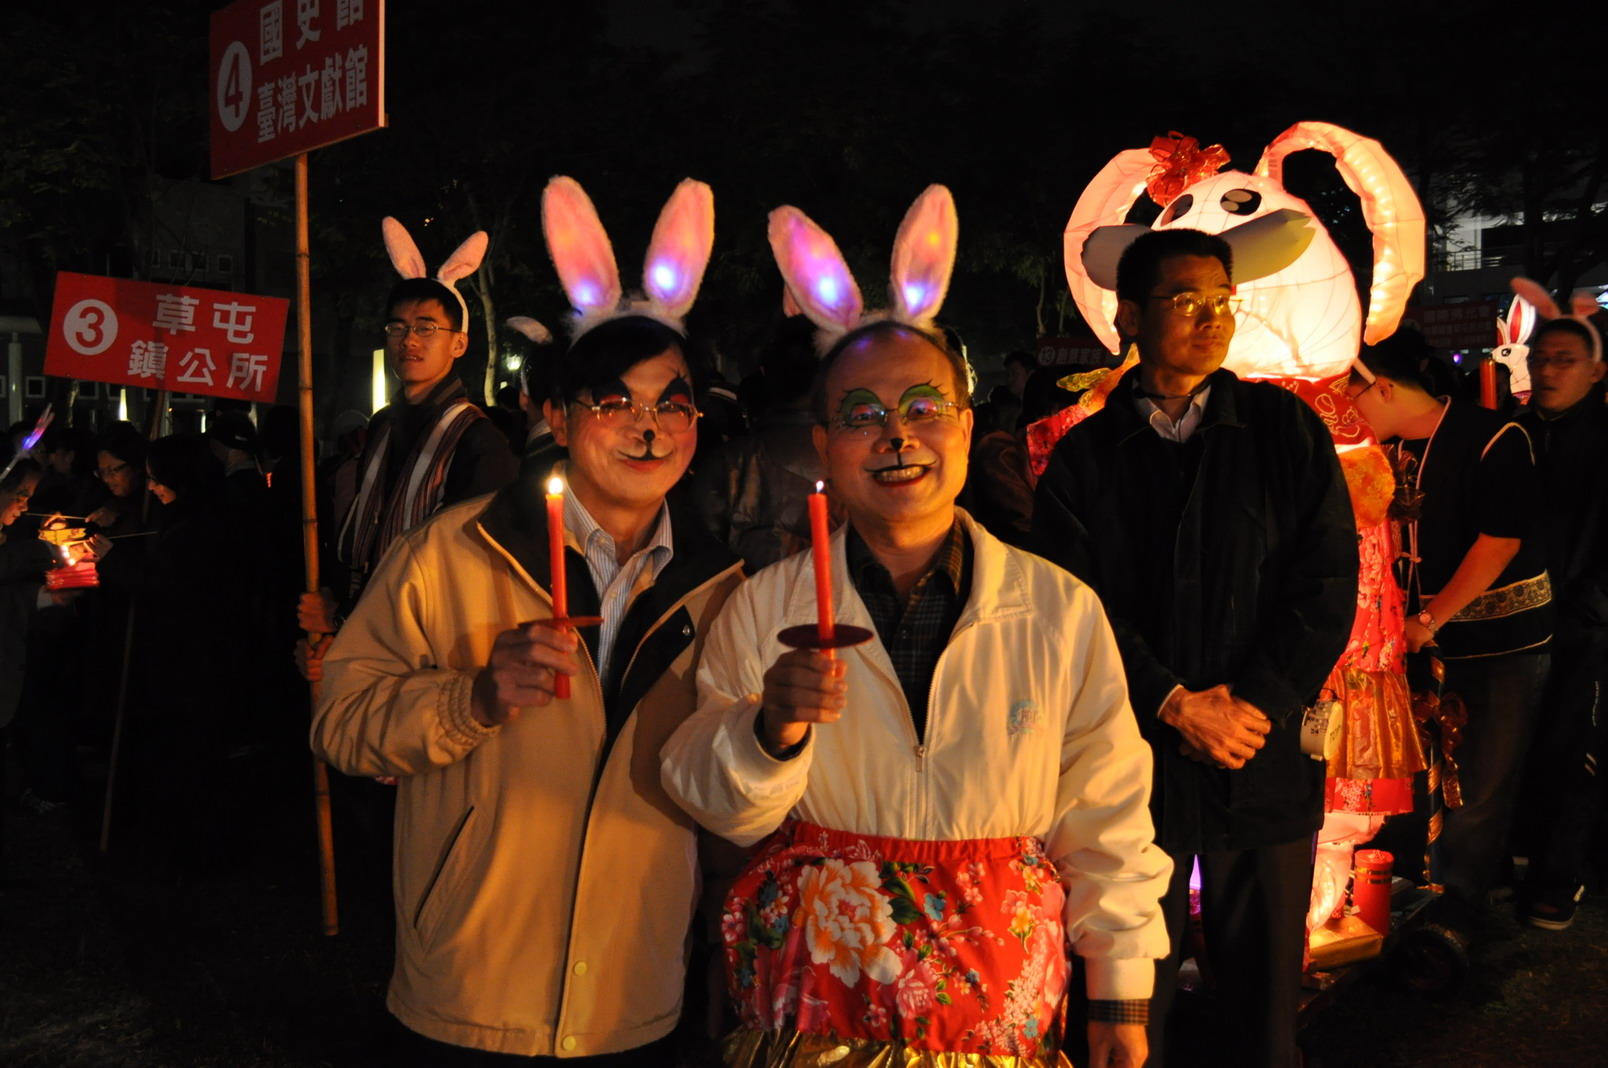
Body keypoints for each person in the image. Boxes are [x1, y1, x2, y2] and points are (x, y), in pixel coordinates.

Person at [663, 186, 1170, 1068]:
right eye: (862, 416)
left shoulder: (1056, 609)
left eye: (924, 409)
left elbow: (1109, 806)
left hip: (996, 1007)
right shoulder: (766, 607)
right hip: (817, 1008)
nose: (897, 437)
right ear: (822, 446)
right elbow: (711, 801)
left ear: (969, 430)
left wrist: (1121, 991)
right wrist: (767, 733)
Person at [312, 175, 740, 1063]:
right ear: (554, 413)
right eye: (614, 401)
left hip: (637, 990)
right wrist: (467, 700)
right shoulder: (451, 553)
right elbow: (342, 723)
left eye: (673, 403)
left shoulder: (725, 587)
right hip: (473, 986)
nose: (649, 428)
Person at [1033, 228, 1358, 1068]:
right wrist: (1172, 701)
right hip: (1133, 764)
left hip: (1263, 752)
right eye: (1188, 300)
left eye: (1223, 301)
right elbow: (1074, 610)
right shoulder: (1084, 456)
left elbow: (1325, 584)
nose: (1213, 319)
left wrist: (1254, 704)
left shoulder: (1284, 430)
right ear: (1130, 316)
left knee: (1265, 1011)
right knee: (1125, 1001)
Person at [1347, 331, 1552, 925]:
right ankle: (1410, 890)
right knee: (1417, 774)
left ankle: (1455, 913)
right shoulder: (1381, 454)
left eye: (1349, 397)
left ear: (1381, 387)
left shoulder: (1493, 436)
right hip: (1413, 638)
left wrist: (1430, 618)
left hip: (1499, 640)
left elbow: (1501, 541)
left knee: (1483, 778)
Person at [1511, 318, 1604, 928]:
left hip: (1586, 621)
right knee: (1520, 742)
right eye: (1540, 359)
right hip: (1523, 617)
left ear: (1597, 370)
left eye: (1563, 360)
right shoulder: (1518, 432)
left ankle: (1560, 874)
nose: (1546, 372)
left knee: (1578, 749)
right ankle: (1518, 856)